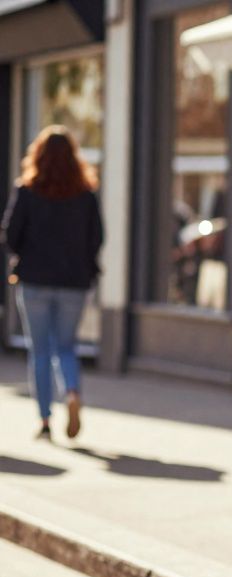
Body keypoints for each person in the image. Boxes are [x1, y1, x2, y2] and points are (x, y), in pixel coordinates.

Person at [0, 125, 103, 440]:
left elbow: (10, 236)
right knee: (66, 346)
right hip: (74, 282)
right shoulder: (85, 195)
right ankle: (71, 392)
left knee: (40, 350)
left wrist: (28, 253)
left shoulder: (27, 191)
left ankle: (45, 420)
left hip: (34, 280)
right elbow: (97, 238)